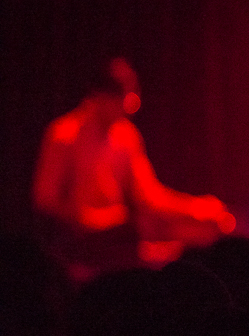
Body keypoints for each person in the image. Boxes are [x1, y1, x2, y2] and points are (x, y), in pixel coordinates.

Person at [33, 57, 234, 281]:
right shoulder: (63, 136)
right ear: (98, 97)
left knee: (201, 232)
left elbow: (148, 197)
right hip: (77, 244)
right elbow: (45, 199)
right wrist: (83, 218)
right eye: (120, 101)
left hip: (119, 238)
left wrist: (197, 210)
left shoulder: (126, 136)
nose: (127, 110)